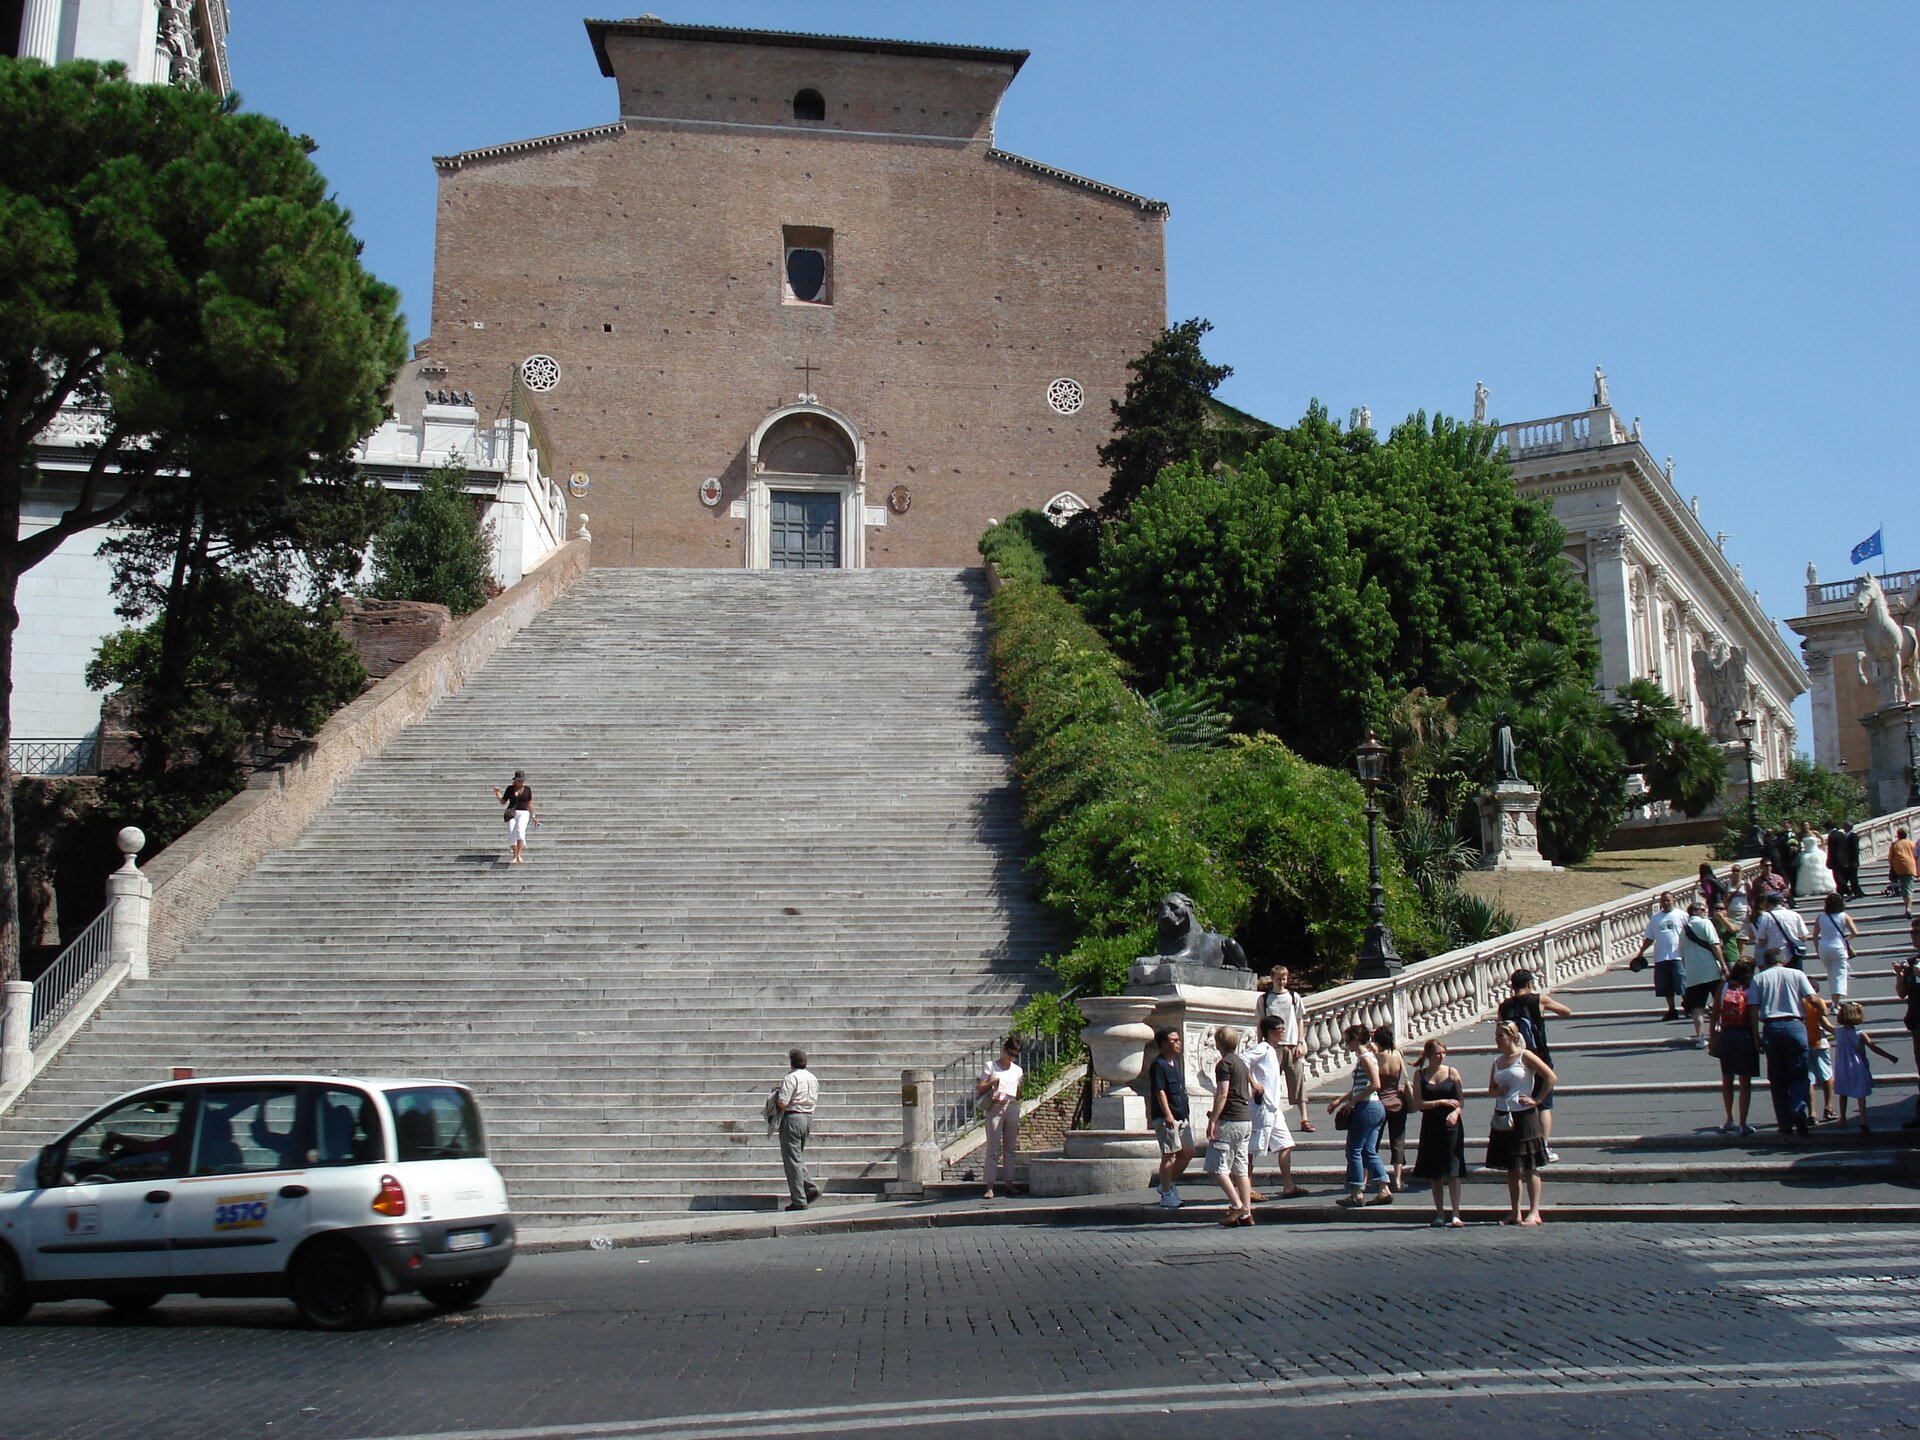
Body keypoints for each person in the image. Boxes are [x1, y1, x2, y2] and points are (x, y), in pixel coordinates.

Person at [1486, 1020, 1555, 1226]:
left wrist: (1537, 1099)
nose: (1497, 1039)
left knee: (1529, 1166)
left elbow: (1550, 1076)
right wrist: (1495, 1091)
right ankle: (1515, 1211)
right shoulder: (1497, 1061)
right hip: (1504, 1114)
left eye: (1501, 1035)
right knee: (1511, 1167)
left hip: (1524, 1115)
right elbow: (1490, 1088)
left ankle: (1534, 1211)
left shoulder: (1525, 1056)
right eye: (1496, 1035)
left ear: (1512, 1036)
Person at [1499, 969, 1571, 1161]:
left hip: (1515, 1059)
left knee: (1517, 1101)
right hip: (1538, 1057)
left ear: (1511, 986)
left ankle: (1519, 1144)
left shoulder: (1504, 1006)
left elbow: (1500, 1029)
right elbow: (1566, 1011)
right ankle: (1543, 1147)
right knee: (1543, 1104)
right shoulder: (1538, 999)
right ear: (1530, 984)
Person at [1749, 954, 1817, 1136]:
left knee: (1777, 1078)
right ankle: (1797, 1107)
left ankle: (1784, 1123)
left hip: (1772, 1027)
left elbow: (1754, 1008)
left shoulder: (1759, 978)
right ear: (1783, 960)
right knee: (1800, 1074)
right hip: (1795, 1025)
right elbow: (1812, 998)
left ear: (1766, 962)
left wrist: (1756, 1036)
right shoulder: (1797, 974)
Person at [1328, 1024, 1391, 1208]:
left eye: (1348, 1040)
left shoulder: (1365, 1057)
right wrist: (1341, 1100)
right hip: (1374, 1107)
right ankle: (1383, 1188)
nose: (1347, 1044)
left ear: (1357, 1039)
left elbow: (1375, 1084)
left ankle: (1356, 1192)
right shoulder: (1368, 1056)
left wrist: (1352, 1102)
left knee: (1354, 1150)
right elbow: (1360, 1086)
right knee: (1368, 1150)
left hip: (1367, 1107)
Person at [1203, 1026, 1261, 1226]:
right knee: (1240, 1168)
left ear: (1218, 1043)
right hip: (1245, 1119)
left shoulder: (1224, 1064)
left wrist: (1213, 1119)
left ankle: (1237, 1206)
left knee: (1216, 1167)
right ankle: (1247, 1213)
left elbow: (1223, 1093)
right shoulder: (1241, 1063)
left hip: (1230, 1120)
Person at [1410, 1038, 1467, 1227]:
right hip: (1431, 1125)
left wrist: (1455, 1112)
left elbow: (1460, 1101)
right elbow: (1419, 1104)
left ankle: (1456, 1213)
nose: (1441, 1056)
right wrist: (1441, 1102)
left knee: (1453, 1169)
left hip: (1451, 1125)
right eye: (1438, 1053)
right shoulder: (1420, 1075)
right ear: (1429, 1055)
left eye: (1444, 1052)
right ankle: (1440, 1213)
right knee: (1435, 1172)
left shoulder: (1452, 1072)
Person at [1243, 1016, 1300, 1199]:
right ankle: (1247, 1188)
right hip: (1262, 1107)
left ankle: (1288, 1185)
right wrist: (1254, 1083)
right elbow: (1242, 1060)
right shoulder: (1262, 1048)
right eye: (1280, 1028)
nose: (1283, 1031)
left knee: (1286, 1144)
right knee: (1252, 1149)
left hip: (1274, 1108)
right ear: (1270, 1031)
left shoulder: (1273, 1051)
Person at [1256, 965, 1313, 1132]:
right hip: (1272, 1046)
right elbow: (1260, 1023)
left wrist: (1300, 1041)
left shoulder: (1294, 997)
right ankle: (1270, 1119)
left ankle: (1304, 1118)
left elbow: (1299, 1019)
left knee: (1298, 1081)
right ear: (1272, 978)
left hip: (1291, 1045)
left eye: (1284, 979)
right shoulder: (1264, 999)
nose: (1282, 982)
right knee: (1271, 1083)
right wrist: (1261, 1044)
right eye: (1279, 978)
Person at [1147, 1028, 1197, 1208]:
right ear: (1163, 1043)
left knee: (1189, 1151)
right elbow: (1160, 1091)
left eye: (1178, 1039)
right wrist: (1167, 1114)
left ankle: (1168, 1184)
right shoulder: (1158, 1065)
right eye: (1173, 1040)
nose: (1178, 1043)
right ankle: (1167, 1194)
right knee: (1169, 1155)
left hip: (1182, 1116)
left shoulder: (1176, 1063)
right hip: (1167, 1118)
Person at [1710, 960, 1760, 1135]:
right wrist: (1756, 1039)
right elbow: (1753, 1016)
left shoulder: (1724, 987)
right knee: (1745, 1083)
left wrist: (1712, 1038)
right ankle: (1743, 1122)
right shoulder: (1751, 987)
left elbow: (1715, 1013)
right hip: (1745, 1034)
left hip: (1727, 1035)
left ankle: (1729, 1119)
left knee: (1727, 1079)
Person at [1832, 1001, 1898, 1132]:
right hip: (1858, 1066)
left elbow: (1824, 1023)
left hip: (1842, 1067)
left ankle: (1843, 1118)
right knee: (1861, 1093)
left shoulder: (1837, 1032)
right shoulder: (1860, 1033)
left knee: (1843, 1093)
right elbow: (1873, 1047)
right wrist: (1890, 1056)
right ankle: (1863, 1119)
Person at [975, 1037, 1023, 1199]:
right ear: (1004, 1050)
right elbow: (979, 1087)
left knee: (1010, 1148)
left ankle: (1009, 1182)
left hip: (1011, 1106)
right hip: (995, 1106)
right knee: (993, 1148)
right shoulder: (991, 1066)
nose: (1011, 1058)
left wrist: (1018, 1088)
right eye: (1010, 1054)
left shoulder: (1017, 1070)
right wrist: (992, 1083)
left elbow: (1019, 1094)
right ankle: (990, 1186)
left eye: (1015, 1055)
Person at [772, 1048, 820, 1211]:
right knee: (797, 1157)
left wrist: (776, 1097)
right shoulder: (812, 1078)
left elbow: (783, 1102)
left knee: (792, 1160)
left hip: (793, 1118)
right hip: (808, 1118)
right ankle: (810, 1188)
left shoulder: (791, 1078)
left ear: (792, 1062)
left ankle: (799, 1199)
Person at [1678, 899, 1727, 1049]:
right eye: (1703, 910)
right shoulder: (1705, 923)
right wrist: (1723, 964)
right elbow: (1715, 945)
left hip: (1693, 973)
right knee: (1719, 1001)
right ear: (1695, 911)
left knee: (1697, 1008)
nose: (1706, 912)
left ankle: (1700, 1037)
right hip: (1711, 969)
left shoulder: (1683, 930)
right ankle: (1721, 1031)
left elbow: (1683, 953)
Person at [1632, 892, 1687, 1020]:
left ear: (1673, 900)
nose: (1666, 903)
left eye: (1668, 900)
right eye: (1663, 901)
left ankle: (1688, 1005)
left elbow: (1689, 933)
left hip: (1677, 955)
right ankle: (1672, 1010)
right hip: (1661, 956)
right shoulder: (1655, 919)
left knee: (1681, 982)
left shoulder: (1682, 915)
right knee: (1665, 985)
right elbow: (1649, 938)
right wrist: (1641, 952)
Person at [1371, 1024, 1410, 1192]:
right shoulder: (1398, 1054)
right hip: (1397, 1101)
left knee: (1372, 1142)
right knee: (1398, 1141)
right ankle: (1399, 1180)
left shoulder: (1375, 1058)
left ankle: (1367, 1177)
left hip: (1379, 1103)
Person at [1814, 893, 1860, 997]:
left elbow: (1815, 935)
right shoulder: (1844, 916)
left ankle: (1834, 998)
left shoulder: (1820, 917)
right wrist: (1846, 939)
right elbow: (1855, 932)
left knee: (1831, 974)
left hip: (1824, 947)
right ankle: (1836, 1004)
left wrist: (1817, 948)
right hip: (1838, 946)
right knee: (1839, 974)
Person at [1752, 891, 1809, 972]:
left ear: (1769, 903)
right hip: (1794, 953)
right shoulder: (1795, 915)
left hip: (1775, 956)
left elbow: (1761, 941)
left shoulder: (1767, 917)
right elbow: (1803, 937)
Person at [1899, 919, 1920, 1130]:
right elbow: (1901, 992)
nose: (1914, 936)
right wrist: (1900, 975)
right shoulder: (1912, 961)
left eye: (1918, 932)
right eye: (1912, 932)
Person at [1804, 988, 1835, 1123]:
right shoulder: (1817, 1002)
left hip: (1804, 1042)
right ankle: (1828, 1107)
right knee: (1826, 1075)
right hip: (1819, 1042)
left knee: (1809, 1078)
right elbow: (1824, 1023)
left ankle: (1812, 1112)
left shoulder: (1798, 1002)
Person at [492, 770, 536, 865]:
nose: (520, 782)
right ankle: (515, 855)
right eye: (519, 780)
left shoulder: (527, 789)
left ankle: (519, 855)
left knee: (520, 830)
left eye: (522, 780)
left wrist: (533, 816)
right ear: (515, 780)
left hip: (523, 812)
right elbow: (503, 801)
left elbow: (529, 803)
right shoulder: (510, 788)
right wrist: (497, 793)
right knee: (511, 831)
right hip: (511, 813)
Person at [1795, 821, 1836, 898]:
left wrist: (1823, 847)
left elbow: (1822, 839)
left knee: (1821, 870)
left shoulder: (1814, 832)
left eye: (1807, 825)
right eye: (1804, 825)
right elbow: (1798, 845)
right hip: (1806, 853)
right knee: (1807, 873)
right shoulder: (1800, 835)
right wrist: (1798, 851)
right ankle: (1809, 889)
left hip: (1816, 852)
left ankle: (1826, 887)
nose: (1806, 826)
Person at [1889, 827, 1916, 917]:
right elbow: (1915, 855)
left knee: (1905, 888)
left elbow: (1890, 858)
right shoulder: (1911, 843)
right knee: (1908, 888)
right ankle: (1908, 908)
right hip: (1910, 867)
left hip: (1898, 868)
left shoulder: (1894, 844)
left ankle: (1906, 907)